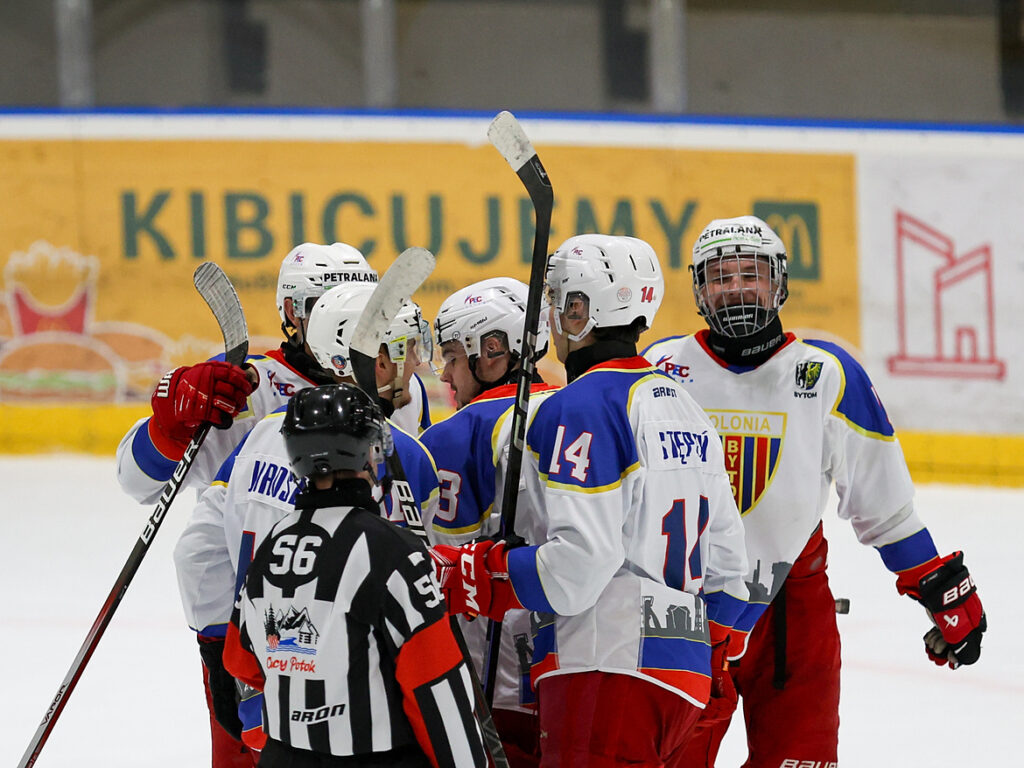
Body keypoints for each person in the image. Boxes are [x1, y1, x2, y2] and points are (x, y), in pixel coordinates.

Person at [642, 215, 988, 768]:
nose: (735, 288)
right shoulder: (657, 366)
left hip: (790, 610)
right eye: (721, 276)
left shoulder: (827, 374)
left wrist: (937, 583)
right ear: (699, 288)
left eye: (750, 273)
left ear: (779, 282)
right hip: (680, 605)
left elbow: (886, 506)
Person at [432, 234, 749, 767]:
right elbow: (730, 567)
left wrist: (483, 572)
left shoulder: (581, 405)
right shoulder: (683, 406)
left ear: (583, 309)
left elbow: (579, 565)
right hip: (683, 683)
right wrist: (692, 650)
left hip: (606, 670)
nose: (553, 316)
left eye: (561, 301)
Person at [115, 242, 379, 768]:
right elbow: (136, 480)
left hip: (368, 627)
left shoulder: (400, 385)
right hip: (260, 643)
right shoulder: (247, 388)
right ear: (291, 314)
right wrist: (172, 424)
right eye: (328, 304)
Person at [175, 282, 440, 755]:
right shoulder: (398, 455)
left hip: (267, 690)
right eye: (406, 349)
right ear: (373, 359)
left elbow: (197, 554)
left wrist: (220, 658)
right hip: (359, 711)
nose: (417, 363)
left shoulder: (259, 436)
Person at [223, 383, 487, 768]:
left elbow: (241, 659)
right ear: (365, 454)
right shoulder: (394, 551)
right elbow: (437, 686)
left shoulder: (270, 546)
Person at [420, 277, 557, 766]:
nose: (444, 375)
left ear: (493, 350)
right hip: (574, 669)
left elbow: (437, 569)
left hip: (493, 685)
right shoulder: (575, 409)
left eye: (453, 356)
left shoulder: (456, 434)